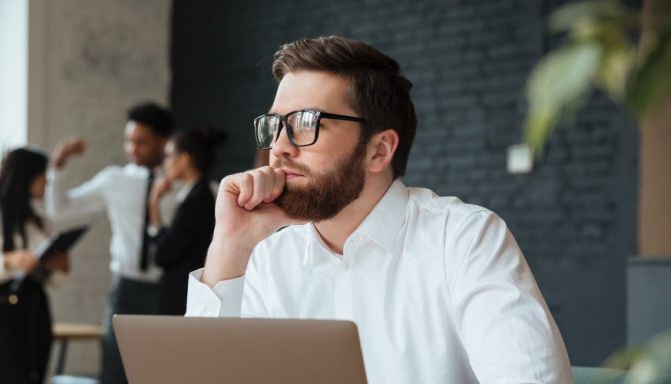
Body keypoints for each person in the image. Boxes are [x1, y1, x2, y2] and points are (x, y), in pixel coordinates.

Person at [185, 36, 573, 383]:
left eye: (306, 123)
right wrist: (231, 244)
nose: (280, 147)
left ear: (379, 150)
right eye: (275, 125)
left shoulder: (463, 240)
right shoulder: (272, 260)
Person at [46, 102, 179, 383]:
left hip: (168, 290)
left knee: (163, 372)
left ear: (162, 141)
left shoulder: (181, 185)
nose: (132, 149)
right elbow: (59, 210)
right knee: (116, 371)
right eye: (129, 141)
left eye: (141, 142)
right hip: (126, 290)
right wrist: (58, 166)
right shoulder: (114, 180)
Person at [0, 147, 69, 384]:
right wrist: (7, 261)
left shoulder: (41, 222)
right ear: (27, 176)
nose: (47, 182)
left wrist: (61, 267)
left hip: (35, 311)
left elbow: (55, 281)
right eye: (44, 176)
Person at [147, 126, 226, 315]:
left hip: (181, 297)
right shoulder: (197, 194)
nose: (165, 163)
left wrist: (154, 204)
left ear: (184, 159)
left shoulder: (197, 199)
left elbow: (163, 255)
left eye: (168, 156)